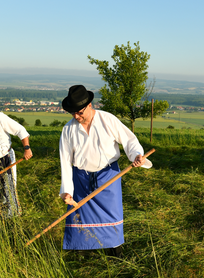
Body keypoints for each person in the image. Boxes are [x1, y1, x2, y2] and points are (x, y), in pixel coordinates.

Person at [58, 84, 152, 256]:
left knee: (111, 215)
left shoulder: (107, 120)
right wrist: (66, 191)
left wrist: (137, 155)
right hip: (80, 179)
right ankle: (84, 255)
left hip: (108, 176)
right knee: (81, 217)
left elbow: (129, 140)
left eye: (80, 112)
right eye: (73, 113)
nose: (76, 116)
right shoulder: (68, 130)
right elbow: (65, 162)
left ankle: (115, 254)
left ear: (89, 105)